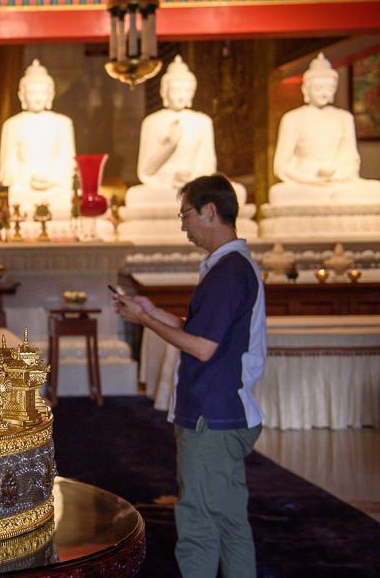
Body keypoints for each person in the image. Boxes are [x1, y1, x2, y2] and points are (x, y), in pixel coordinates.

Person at [113, 174, 266, 578]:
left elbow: (202, 347)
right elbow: (202, 332)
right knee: (230, 520)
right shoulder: (231, 266)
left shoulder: (228, 271)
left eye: (185, 214)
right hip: (225, 410)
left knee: (198, 523)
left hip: (212, 415)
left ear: (210, 211)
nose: (183, 226)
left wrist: (145, 320)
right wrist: (154, 311)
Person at [126, 55, 247, 207]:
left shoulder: (202, 121)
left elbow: (208, 164)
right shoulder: (152, 122)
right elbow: (145, 171)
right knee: (135, 196)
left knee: (238, 192)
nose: (181, 96)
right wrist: (169, 145)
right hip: (164, 188)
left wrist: (193, 177)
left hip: (196, 186)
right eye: (176, 90)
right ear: (164, 92)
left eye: (186, 90)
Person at [269, 52, 380, 205]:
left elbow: (351, 159)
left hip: (338, 181)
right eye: (318, 88)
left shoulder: (343, 118)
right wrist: (311, 178)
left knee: (376, 190)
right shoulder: (293, 118)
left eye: (329, 88)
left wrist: (336, 175)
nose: (324, 92)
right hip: (305, 182)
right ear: (306, 90)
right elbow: (281, 165)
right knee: (278, 194)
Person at [0, 59, 75, 218]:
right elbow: (6, 171)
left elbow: (69, 164)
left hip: (54, 190)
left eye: (42, 92)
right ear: (22, 95)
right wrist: (28, 177)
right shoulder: (12, 125)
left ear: (50, 94)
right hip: (23, 190)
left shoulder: (63, 123)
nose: (38, 98)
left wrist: (50, 178)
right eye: (32, 92)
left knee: (71, 197)